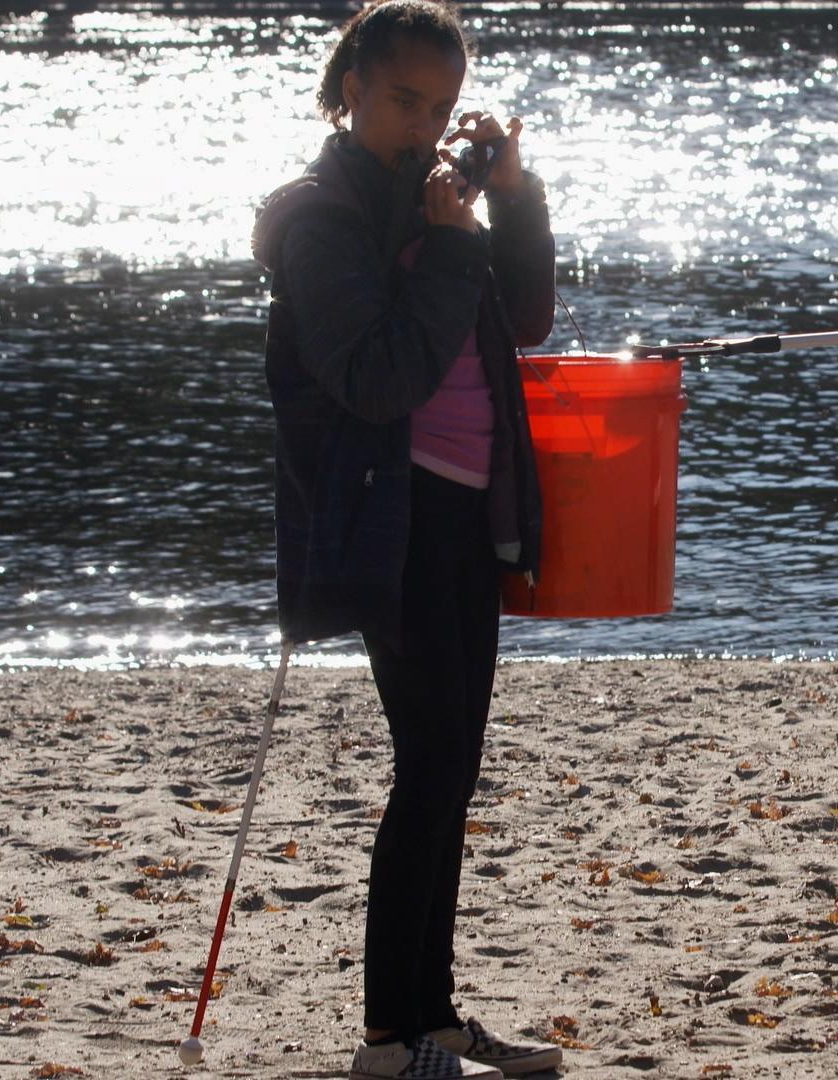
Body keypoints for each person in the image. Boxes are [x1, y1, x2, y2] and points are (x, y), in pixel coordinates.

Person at [250, 2, 561, 1077]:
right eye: (401, 101)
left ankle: (431, 1015)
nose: (421, 126)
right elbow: (379, 378)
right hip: (394, 515)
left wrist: (511, 196)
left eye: (438, 107)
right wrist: (444, 252)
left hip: (469, 512)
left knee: (452, 768)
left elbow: (524, 318)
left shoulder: (438, 201)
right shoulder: (323, 220)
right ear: (348, 91)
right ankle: (393, 1034)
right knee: (428, 766)